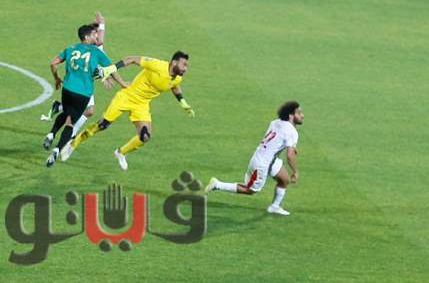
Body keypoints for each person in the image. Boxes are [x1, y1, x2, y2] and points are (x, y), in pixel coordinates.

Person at [62, 51, 195, 170]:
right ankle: (73, 143)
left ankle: (121, 152)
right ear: (174, 62)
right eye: (184, 64)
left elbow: (174, 86)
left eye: (187, 66)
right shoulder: (157, 65)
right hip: (126, 96)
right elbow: (131, 59)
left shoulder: (178, 77)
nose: (186, 68)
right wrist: (110, 69)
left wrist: (183, 103)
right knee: (102, 125)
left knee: (145, 136)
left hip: (141, 105)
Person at [205, 101, 304, 216]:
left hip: (270, 159)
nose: (302, 115)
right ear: (291, 116)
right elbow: (290, 155)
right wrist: (295, 171)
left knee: (284, 180)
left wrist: (290, 147)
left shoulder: (276, 122)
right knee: (250, 190)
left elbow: (277, 139)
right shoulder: (292, 131)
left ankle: (274, 207)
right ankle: (217, 184)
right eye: (299, 113)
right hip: (262, 163)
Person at [45, 24, 119, 167]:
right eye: (93, 34)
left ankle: (52, 132)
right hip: (83, 93)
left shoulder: (70, 49)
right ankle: (57, 149)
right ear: (87, 37)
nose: (96, 35)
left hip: (67, 89)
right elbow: (111, 67)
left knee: (67, 113)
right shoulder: (96, 51)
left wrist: (57, 78)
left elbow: (53, 63)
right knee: (70, 122)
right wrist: (122, 82)